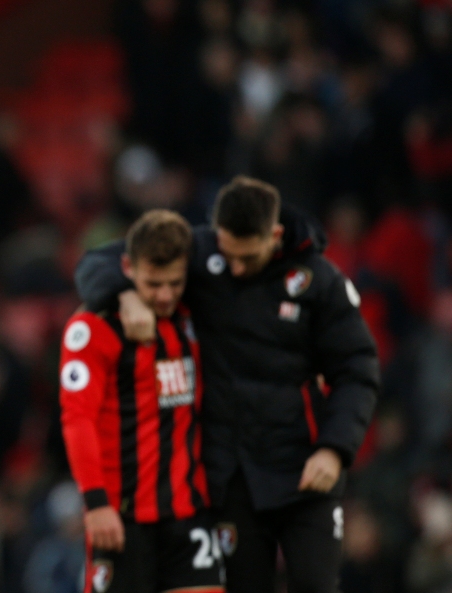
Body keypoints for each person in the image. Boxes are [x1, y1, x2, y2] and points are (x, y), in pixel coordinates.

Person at [75, 177, 379, 593]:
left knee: (315, 585)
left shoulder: (319, 281)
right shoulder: (203, 252)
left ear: (273, 236)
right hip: (232, 478)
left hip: (305, 470)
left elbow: (357, 366)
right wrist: (124, 294)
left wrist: (335, 448)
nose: (234, 267)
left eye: (247, 257)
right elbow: (100, 262)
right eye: (227, 254)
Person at [60, 210, 224, 593]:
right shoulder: (93, 328)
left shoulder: (193, 314)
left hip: (189, 514)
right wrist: (96, 503)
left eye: (174, 283)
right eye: (153, 284)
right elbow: (77, 418)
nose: (165, 295)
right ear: (128, 268)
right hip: (121, 517)